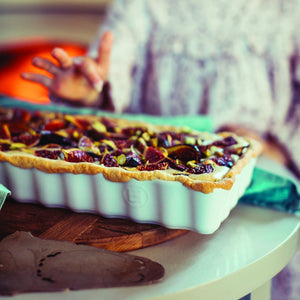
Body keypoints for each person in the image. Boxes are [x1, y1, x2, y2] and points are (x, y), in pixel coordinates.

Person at [21, 1, 300, 298]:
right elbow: (109, 70)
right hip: (148, 204)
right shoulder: (142, 5)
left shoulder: (287, 9)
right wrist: (91, 91)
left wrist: (278, 149)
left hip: (262, 196)